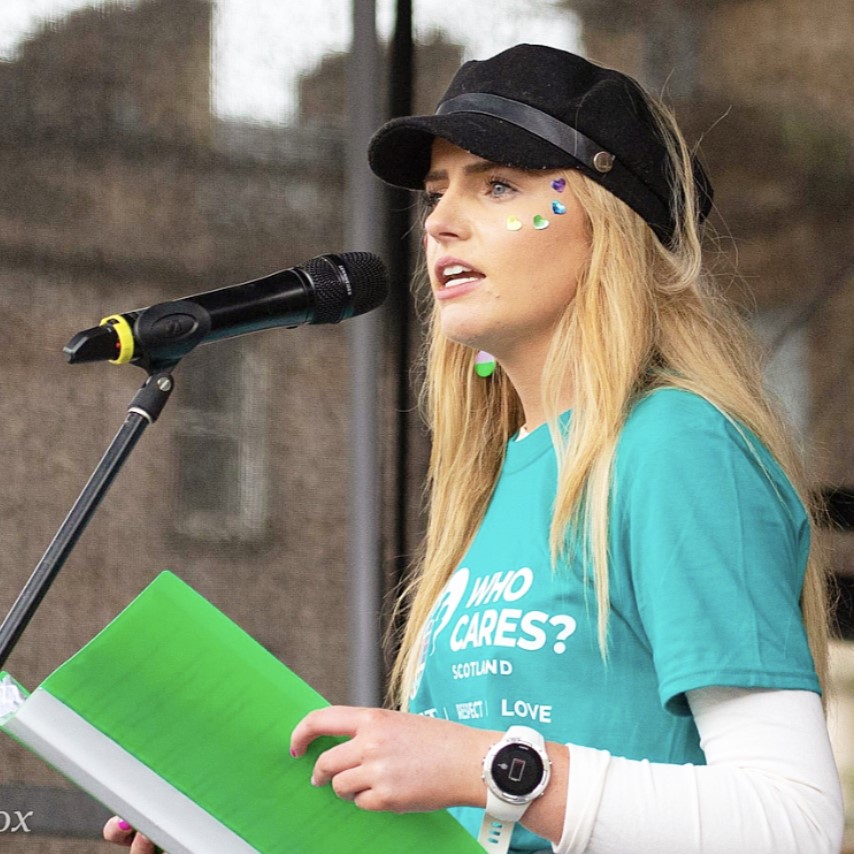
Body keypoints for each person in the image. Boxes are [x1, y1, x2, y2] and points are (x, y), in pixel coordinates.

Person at [104, 44, 844, 854]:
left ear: (612, 228)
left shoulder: (677, 444)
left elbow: (794, 824)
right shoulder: (498, 477)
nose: (440, 223)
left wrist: (486, 766)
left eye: (498, 185)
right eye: (434, 193)